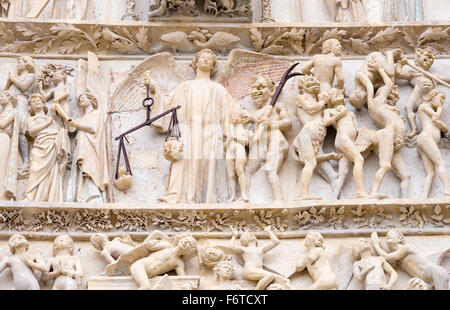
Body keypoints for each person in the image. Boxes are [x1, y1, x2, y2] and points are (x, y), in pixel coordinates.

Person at [150, 49, 238, 203]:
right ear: (195, 63)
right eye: (202, 58)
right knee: (185, 159)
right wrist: (154, 90)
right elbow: (168, 103)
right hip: (189, 130)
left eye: (209, 59)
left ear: (213, 66)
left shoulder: (219, 89)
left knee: (208, 162)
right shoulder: (186, 86)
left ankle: (207, 198)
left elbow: (233, 112)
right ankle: (184, 195)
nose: (205, 60)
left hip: (212, 130)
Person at [25, 94, 70, 202]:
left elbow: (61, 130)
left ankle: (49, 197)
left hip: (52, 146)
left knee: (52, 173)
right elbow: (32, 131)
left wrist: (62, 132)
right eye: (33, 101)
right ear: (30, 106)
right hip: (40, 146)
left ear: (43, 103)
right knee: (35, 170)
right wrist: (47, 123)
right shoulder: (31, 118)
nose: (36, 102)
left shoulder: (50, 119)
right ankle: (30, 197)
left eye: (38, 100)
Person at [323, 88, 367, 198]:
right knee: (359, 159)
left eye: (339, 93)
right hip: (342, 139)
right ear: (330, 100)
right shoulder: (329, 111)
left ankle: (334, 198)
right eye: (334, 95)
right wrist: (339, 114)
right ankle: (360, 192)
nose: (337, 95)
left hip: (350, 141)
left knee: (344, 172)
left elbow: (356, 130)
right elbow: (326, 122)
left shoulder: (351, 113)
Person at [372, 230, 449, 290]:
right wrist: (381, 246)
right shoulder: (397, 260)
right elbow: (387, 261)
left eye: (391, 233)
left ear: (400, 238)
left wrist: (376, 245)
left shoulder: (405, 248)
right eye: (386, 235)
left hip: (435, 272)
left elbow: (388, 257)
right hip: (426, 281)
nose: (388, 235)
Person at [218, 226, 291, 290]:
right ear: (244, 241)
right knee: (270, 275)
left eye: (251, 234)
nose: (251, 235)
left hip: (258, 271)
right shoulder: (244, 249)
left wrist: (268, 230)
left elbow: (276, 242)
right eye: (248, 235)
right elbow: (230, 247)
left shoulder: (261, 249)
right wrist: (234, 236)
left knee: (279, 278)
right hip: (249, 270)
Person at [67, 92, 109, 203]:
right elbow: (73, 131)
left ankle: (93, 195)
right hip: (82, 146)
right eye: (79, 99)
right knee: (83, 170)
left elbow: (92, 128)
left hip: (92, 146)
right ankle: (82, 195)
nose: (80, 100)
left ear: (91, 100)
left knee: (90, 169)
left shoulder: (96, 113)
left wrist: (77, 125)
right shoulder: (81, 118)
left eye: (83, 98)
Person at [4, 56, 36, 176]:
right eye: (16, 62)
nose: (17, 64)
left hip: (21, 104)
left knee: (21, 132)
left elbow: (23, 86)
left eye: (20, 62)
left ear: (27, 63)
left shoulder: (31, 76)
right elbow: (4, 93)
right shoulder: (15, 78)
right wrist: (8, 81)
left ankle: (26, 161)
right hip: (11, 106)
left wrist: (12, 78)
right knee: (12, 132)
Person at [415, 89, 450, 197]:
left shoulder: (431, 112)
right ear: (433, 96)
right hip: (426, 138)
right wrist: (439, 108)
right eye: (441, 98)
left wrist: (441, 124)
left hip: (426, 140)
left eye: (444, 100)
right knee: (441, 163)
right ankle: (448, 191)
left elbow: (444, 128)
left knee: (431, 173)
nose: (442, 101)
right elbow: (436, 119)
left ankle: (423, 196)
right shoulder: (424, 106)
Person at [0, 90, 19, 200]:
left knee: (2, 166)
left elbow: (3, 124)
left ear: (10, 98)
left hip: (3, 138)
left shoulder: (12, 111)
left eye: (2, 96)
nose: (0, 98)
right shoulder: (3, 112)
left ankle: (2, 194)